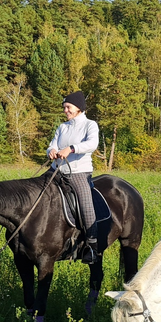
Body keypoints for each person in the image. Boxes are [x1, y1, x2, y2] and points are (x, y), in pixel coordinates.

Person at [47, 91, 101, 263]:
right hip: (56, 171)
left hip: (78, 172)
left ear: (79, 108)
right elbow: (52, 145)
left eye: (68, 107)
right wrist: (52, 151)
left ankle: (92, 246)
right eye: (64, 107)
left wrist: (71, 149)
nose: (65, 111)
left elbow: (92, 144)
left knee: (85, 201)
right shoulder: (62, 127)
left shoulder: (90, 125)